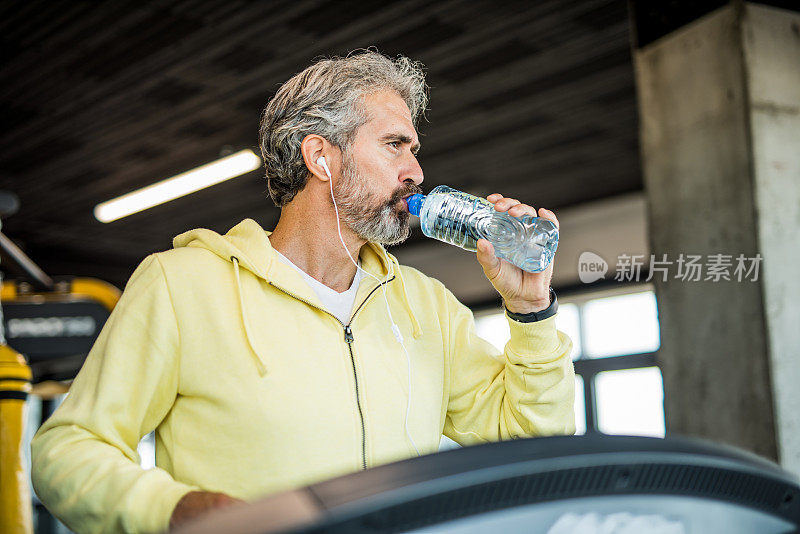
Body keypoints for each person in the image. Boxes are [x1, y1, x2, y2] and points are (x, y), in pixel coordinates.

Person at [31, 51, 575, 534]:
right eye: (394, 146)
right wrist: (177, 511)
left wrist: (531, 312)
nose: (416, 171)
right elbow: (67, 451)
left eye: (414, 149)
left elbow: (534, 439)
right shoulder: (183, 284)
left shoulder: (425, 306)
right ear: (320, 157)